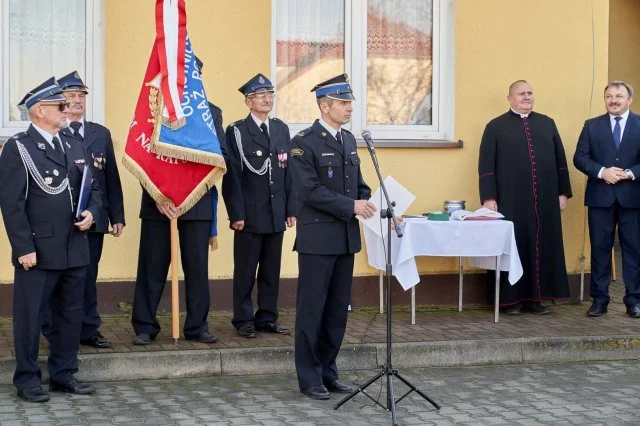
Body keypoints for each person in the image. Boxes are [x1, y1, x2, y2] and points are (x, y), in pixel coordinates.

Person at [0, 78, 101, 402]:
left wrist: (92, 214)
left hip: (74, 247)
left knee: (70, 315)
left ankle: (63, 374)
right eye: (60, 105)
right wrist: (23, 248)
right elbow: (11, 203)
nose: (67, 109)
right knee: (30, 317)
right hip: (39, 250)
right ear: (39, 111)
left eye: (67, 104)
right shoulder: (20, 147)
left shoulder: (72, 143)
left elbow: (92, 189)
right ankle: (28, 379)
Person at [289, 74, 375, 400]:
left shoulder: (349, 140)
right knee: (312, 310)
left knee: (337, 311)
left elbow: (359, 186)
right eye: (343, 102)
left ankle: (328, 371)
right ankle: (309, 377)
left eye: (349, 102)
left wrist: (376, 204)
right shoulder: (303, 142)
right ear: (325, 106)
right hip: (317, 241)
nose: (349, 107)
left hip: (345, 240)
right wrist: (351, 205)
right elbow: (310, 191)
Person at [130, 58, 225, 345]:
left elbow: (221, 156)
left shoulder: (211, 113)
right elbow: (142, 153)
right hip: (159, 201)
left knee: (197, 268)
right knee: (152, 266)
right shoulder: (153, 107)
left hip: (196, 201)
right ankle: (145, 326)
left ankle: (197, 325)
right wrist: (158, 195)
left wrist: (191, 187)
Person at [478, 80, 572, 315]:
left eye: (530, 93)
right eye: (521, 94)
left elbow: (561, 162)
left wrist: (563, 192)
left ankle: (537, 300)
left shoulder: (547, 124)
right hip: (510, 199)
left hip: (545, 199)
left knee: (541, 245)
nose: (527, 97)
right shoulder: (495, 127)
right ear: (510, 98)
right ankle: (511, 301)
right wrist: (489, 197)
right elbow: (486, 166)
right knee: (514, 245)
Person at [222, 73, 296, 338]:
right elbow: (233, 175)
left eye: (270, 95)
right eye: (261, 96)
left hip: (276, 212)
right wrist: (236, 213)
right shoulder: (238, 131)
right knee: (245, 270)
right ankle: (243, 319)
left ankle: (267, 316)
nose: (268, 99)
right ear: (248, 102)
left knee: (271, 269)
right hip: (250, 214)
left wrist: (290, 208)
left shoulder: (280, 129)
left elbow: (288, 172)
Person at [56, 71, 125, 349]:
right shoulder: (55, 133)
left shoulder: (100, 133)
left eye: (81, 96)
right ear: (59, 102)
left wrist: (117, 216)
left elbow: (111, 179)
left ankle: (89, 330)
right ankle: (59, 331)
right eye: (71, 96)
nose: (77, 101)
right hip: (63, 221)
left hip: (95, 220)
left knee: (88, 277)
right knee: (62, 278)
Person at [574, 81, 640, 318]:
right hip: (600, 197)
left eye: (619, 96)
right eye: (609, 96)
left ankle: (634, 300)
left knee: (634, 250)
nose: (614, 100)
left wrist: (630, 173)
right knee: (600, 250)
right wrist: (603, 172)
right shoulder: (592, 126)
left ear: (629, 100)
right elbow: (580, 158)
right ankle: (600, 300)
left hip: (632, 198)